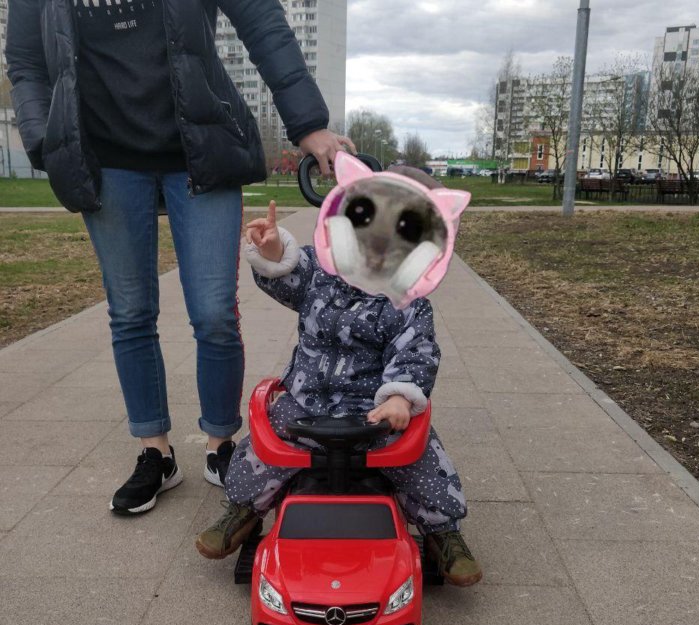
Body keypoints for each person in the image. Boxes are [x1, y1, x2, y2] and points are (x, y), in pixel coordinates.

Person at [6, 0, 354, 515]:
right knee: (130, 312)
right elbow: (27, 60)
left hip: (202, 147)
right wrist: (44, 139)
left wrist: (307, 123)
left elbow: (261, 22)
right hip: (105, 159)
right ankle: (156, 452)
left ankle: (220, 442)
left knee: (214, 312)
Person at [195, 174, 483, 587]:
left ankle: (442, 531)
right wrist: (275, 251)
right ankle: (242, 511)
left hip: (372, 408)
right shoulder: (321, 273)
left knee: (421, 458)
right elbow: (289, 277)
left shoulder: (408, 304)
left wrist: (400, 397)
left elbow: (417, 351)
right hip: (306, 399)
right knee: (260, 449)